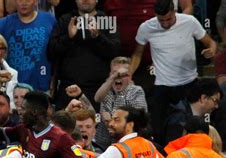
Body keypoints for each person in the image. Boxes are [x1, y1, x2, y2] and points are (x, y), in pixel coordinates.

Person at [130, 0, 217, 145]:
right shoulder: (146, 27)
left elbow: (211, 42)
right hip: (162, 86)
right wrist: (129, 73)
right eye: (161, 20)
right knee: (157, 130)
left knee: (192, 127)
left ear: (174, 11)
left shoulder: (189, 22)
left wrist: (212, 50)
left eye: (168, 19)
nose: (164, 23)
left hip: (189, 83)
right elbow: (137, 54)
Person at [48, 0, 120, 109]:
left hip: (98, 89)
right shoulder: (65, 20)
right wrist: (68, 37)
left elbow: (115, 52)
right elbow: (51, 52)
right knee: (64, 125)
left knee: (98, 124)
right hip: (68, 88)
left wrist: (98, 37)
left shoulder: (107, 20)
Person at [0, 0, 56, 92]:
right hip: (13, 89)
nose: (24, 3)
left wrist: (54, 79)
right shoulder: (3, 24)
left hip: (42, 86)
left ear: (35, 2)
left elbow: (57, 53)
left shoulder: (48, 20)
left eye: (28, 0)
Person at [94, 56, 148, 150]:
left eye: (122, 74)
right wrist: (111, 78)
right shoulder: (106, 89)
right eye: (115, 72)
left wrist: (111, 120)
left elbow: (138, 120)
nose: (118, 77)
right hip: (102, 145)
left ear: (130, 76)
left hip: (128, 146)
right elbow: (97, 98)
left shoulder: (136, 91)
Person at [165, 78, 223, 144]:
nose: (217, 106)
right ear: (203, 98)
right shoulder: (178, 119)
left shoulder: (208, 118)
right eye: (215, 101)